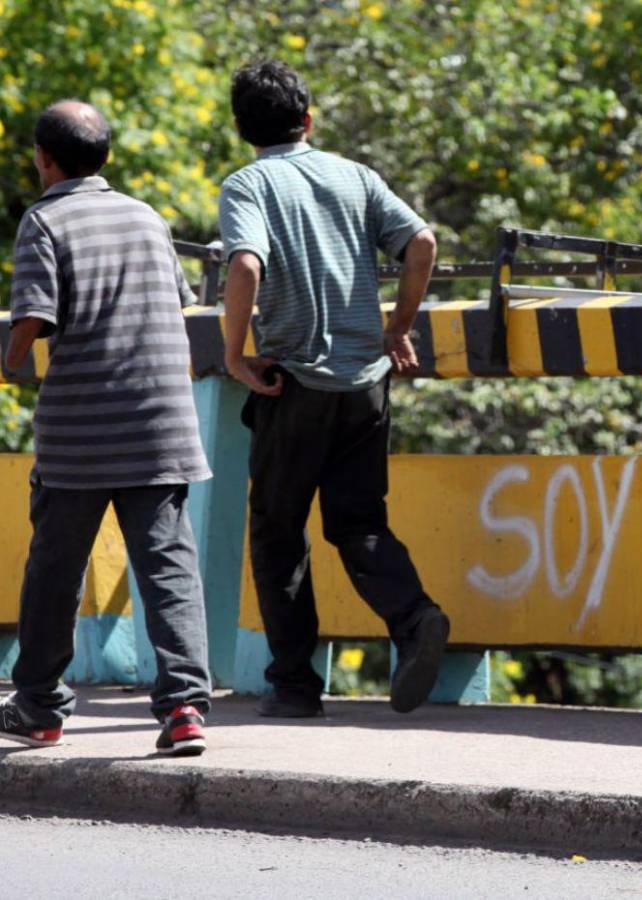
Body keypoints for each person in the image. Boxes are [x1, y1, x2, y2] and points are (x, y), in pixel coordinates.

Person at [219, 60, 448, 718]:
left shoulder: (249, 184)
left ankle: (294, 686)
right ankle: (415, 618)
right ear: (309, 119)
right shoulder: (357, 176)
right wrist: (397, 327)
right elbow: (422, 244)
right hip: (366, 385)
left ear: (241, 128)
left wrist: (235, 356)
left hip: (294, 383)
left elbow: (243, 264)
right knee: (358, 523)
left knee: (277, 530)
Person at [0, 101, 212, 756]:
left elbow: (33, 315)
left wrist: (9, 362)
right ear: (108, 157)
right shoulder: (146, 217)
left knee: (55, 570)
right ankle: (183, 711)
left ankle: (38, 706)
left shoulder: (45, 221)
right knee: (168, 566)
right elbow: (177, 300)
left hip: (82, 433)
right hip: (161, 424)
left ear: (44, 159)